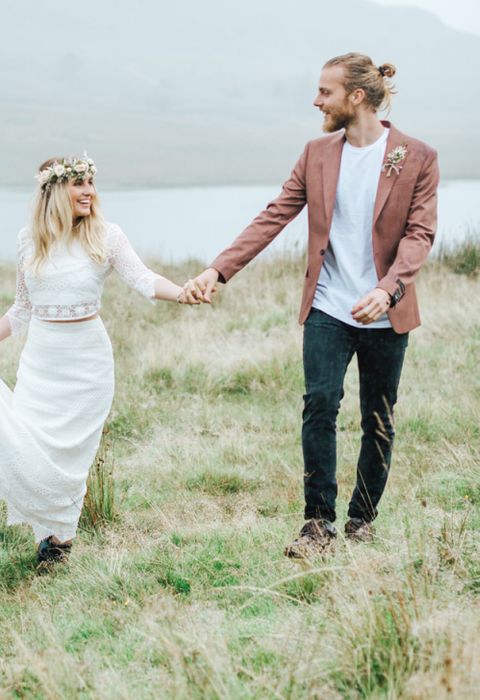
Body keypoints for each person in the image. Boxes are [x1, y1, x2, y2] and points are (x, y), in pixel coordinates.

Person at [181, 53, 439, 558]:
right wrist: (218, 269)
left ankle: (361, 521)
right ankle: (317, 523)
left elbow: (420, 234)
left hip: (386, 310)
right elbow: (273, 216)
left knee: (378, 417)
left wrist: (387, 289)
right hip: (327, 306)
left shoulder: (417, 156)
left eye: (325, 92)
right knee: (319, 404)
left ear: (356, 97)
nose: (316, 101)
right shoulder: (316, 153)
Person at [0, 154, 187, 564]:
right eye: (78, 183)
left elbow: (143, 279)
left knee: (71, 456)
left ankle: (59, 542)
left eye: (91, 182)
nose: (89, 191)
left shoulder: (107, 237)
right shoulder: (27, 241)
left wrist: (180, 292)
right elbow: (21, 308)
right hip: (41, 364)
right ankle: (46, 526)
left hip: (87, 367)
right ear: (54, 191)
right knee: (31, 443)